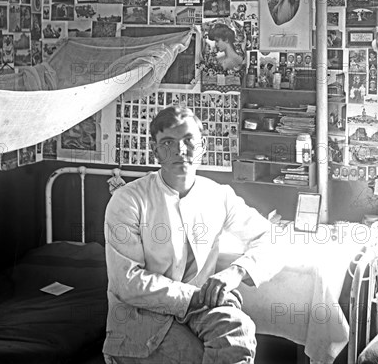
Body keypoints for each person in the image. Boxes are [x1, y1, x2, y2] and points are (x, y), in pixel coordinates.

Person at [103, 106, 279, 364]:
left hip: (200, 310)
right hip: (141, 315)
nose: (180, 151)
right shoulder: (128, 200)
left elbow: (271, 238)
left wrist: (236, 272)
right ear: (155, 151)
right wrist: (196, 296)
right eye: (167, 143)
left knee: (239, 332)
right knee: (193, 356)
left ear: (203, 146)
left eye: (188, 141)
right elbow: (128, 283)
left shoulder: (218, 196)